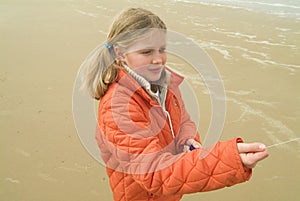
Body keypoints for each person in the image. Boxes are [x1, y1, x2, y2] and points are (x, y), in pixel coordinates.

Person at [81, 8, 269, 201]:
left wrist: (186, 140)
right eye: (146, 52)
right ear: (120, 54)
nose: (158, 59)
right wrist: (230, 159)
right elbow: (156, 175)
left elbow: (182, 120)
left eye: (162, 49)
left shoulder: (164, 83)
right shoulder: (117, 107)